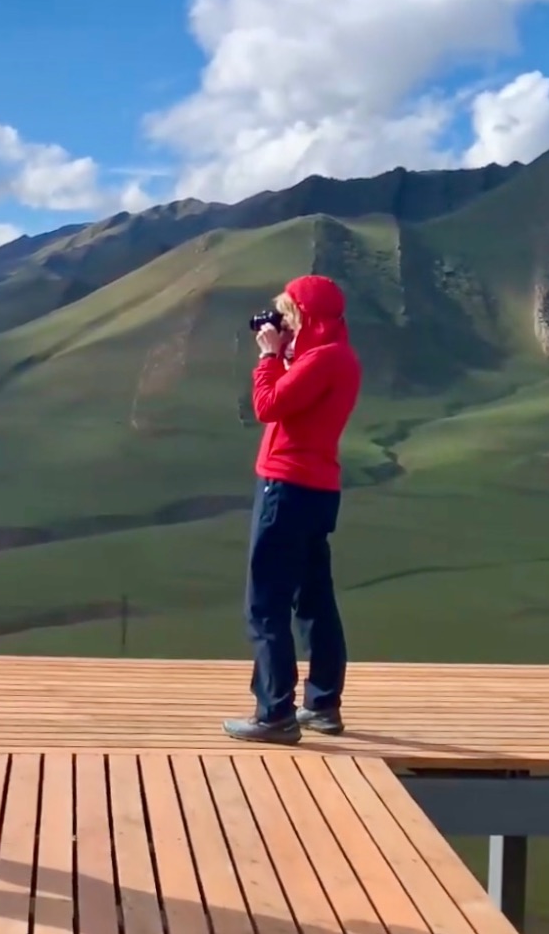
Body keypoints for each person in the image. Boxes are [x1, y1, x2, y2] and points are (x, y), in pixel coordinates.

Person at [224, 274, 362, 745]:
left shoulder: (319, 361)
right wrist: (287, 356)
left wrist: (267, 357)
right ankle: (322, 703)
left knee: (266, 603)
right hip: (321, 488)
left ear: (305, 317)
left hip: (286, 486)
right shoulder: (340, 358)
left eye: (288, 314)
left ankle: (274, 712)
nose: (281, 322)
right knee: (314, 599)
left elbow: (268, 406)